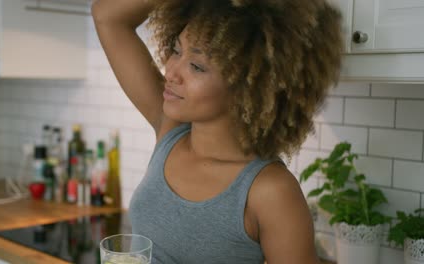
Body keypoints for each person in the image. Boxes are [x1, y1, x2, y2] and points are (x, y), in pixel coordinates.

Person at [92, 0, 343, 263]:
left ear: (247, 88)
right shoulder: (172, 132)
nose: (171, 72)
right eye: (177, 50)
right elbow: (107, 16)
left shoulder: (270, 191)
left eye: (197, 66)